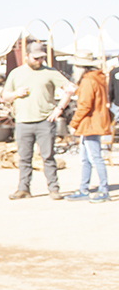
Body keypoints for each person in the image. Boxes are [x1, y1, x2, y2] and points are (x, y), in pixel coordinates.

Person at [0, 41, 73, 200]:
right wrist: (16, 94)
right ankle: (23, 188)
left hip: (44, 121)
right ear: (26, 56)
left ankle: (54, 189)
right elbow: (5, 96)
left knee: (47, 156)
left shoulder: (50, 72)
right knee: (24, 158)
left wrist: (59, 108)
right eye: (36, 58)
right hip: (23, 121)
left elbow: (70, 88)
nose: (39, 61)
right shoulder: (16, 73)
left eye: (41, 58)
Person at [58, 55, 112, 202]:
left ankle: (102, 190)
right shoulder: (98, 78)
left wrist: (73, 123)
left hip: (90, 123)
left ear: (81, 67)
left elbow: (85, 105)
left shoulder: (88, 80)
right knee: (87, 158)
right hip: (94, 122)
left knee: (94, 158)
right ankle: (85, 188)